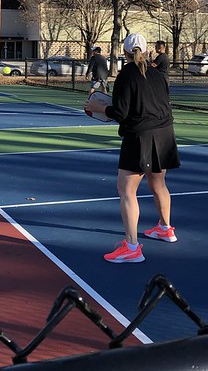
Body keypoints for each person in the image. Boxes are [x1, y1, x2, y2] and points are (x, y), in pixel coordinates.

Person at [84, 33, 180, 263]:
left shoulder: (126, 75)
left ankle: (132, 247)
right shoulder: (158, 74)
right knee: (159, 183)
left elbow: (120, 113)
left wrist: (99, 105)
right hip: (165, 133)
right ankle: (166, 229)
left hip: (140, 137)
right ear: (147, 51)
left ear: (125, 52)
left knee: (126, 190)